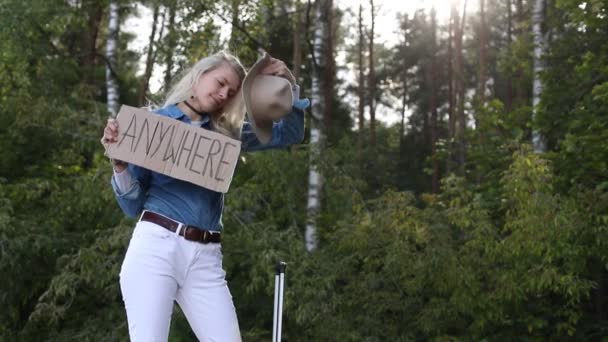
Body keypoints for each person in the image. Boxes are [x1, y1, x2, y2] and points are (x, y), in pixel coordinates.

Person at [101, 51, 309, 341]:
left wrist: (288, 83)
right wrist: (120, 164)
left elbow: (290, 133)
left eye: (233, 91)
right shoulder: (153, 124)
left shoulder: (228, 134)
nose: (224, 94)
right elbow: (131, 205)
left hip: (206, 256)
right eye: (221, 82)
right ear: (200, 75)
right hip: (156, 247)